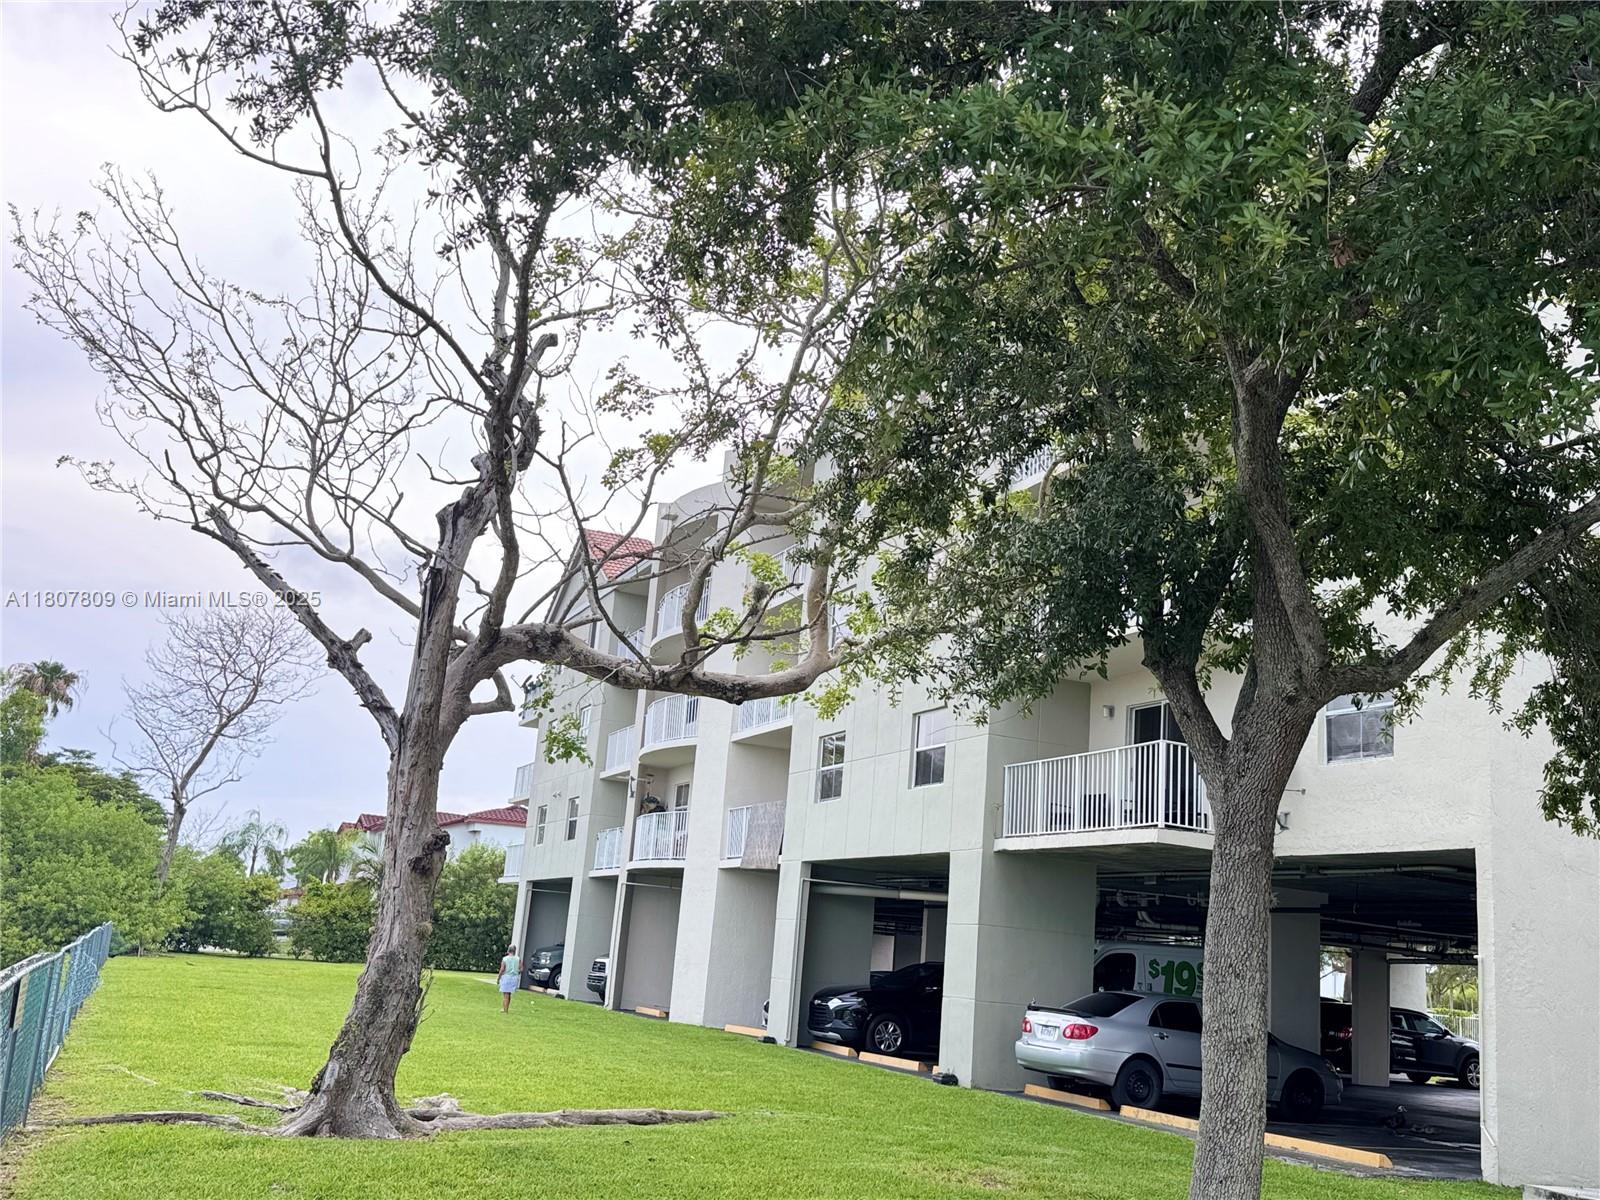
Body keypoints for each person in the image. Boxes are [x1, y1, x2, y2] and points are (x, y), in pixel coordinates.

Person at [497, 943, 521, 1013]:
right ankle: (505, 1008)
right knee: (509, 994)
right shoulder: (518, 959)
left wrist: (498, 978)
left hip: (506, 977)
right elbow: (521, 969)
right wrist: (517, 972)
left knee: (505, 995)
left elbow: (502, 969)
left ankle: (505, 1010)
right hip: (514, 978)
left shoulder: (505, 959)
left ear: (508, 950)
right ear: (515, 951)